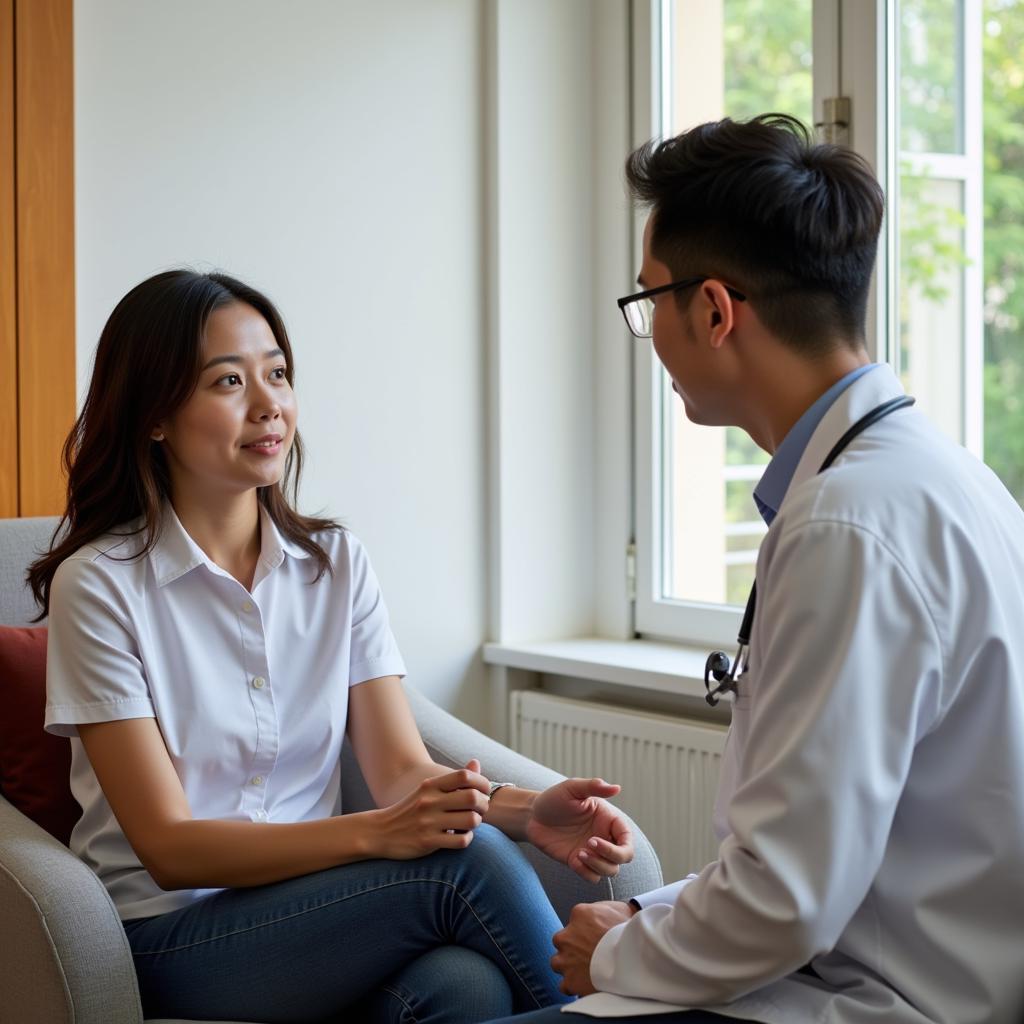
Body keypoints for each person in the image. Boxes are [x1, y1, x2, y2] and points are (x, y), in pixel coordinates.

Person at [486, 115, 1024, 1024]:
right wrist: (643, 916)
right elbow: (810, 862)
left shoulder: (847, 524)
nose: (650, 330)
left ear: (714, 310)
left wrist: (614, 949)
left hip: (876, 997)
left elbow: (788, 900)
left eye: (649, 299)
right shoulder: (943, 478)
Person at [29, 269, 635, 1023]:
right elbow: (169, 845)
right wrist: (379, 836)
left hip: (314, 913)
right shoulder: (102, 585)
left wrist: (524, 809)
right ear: (154, 415)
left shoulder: (335, 564)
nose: (268, 405)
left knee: (463, 986)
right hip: (169, 937)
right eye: (227, 381)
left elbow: (400, 770)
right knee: (459, 869)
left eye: (277, 373)